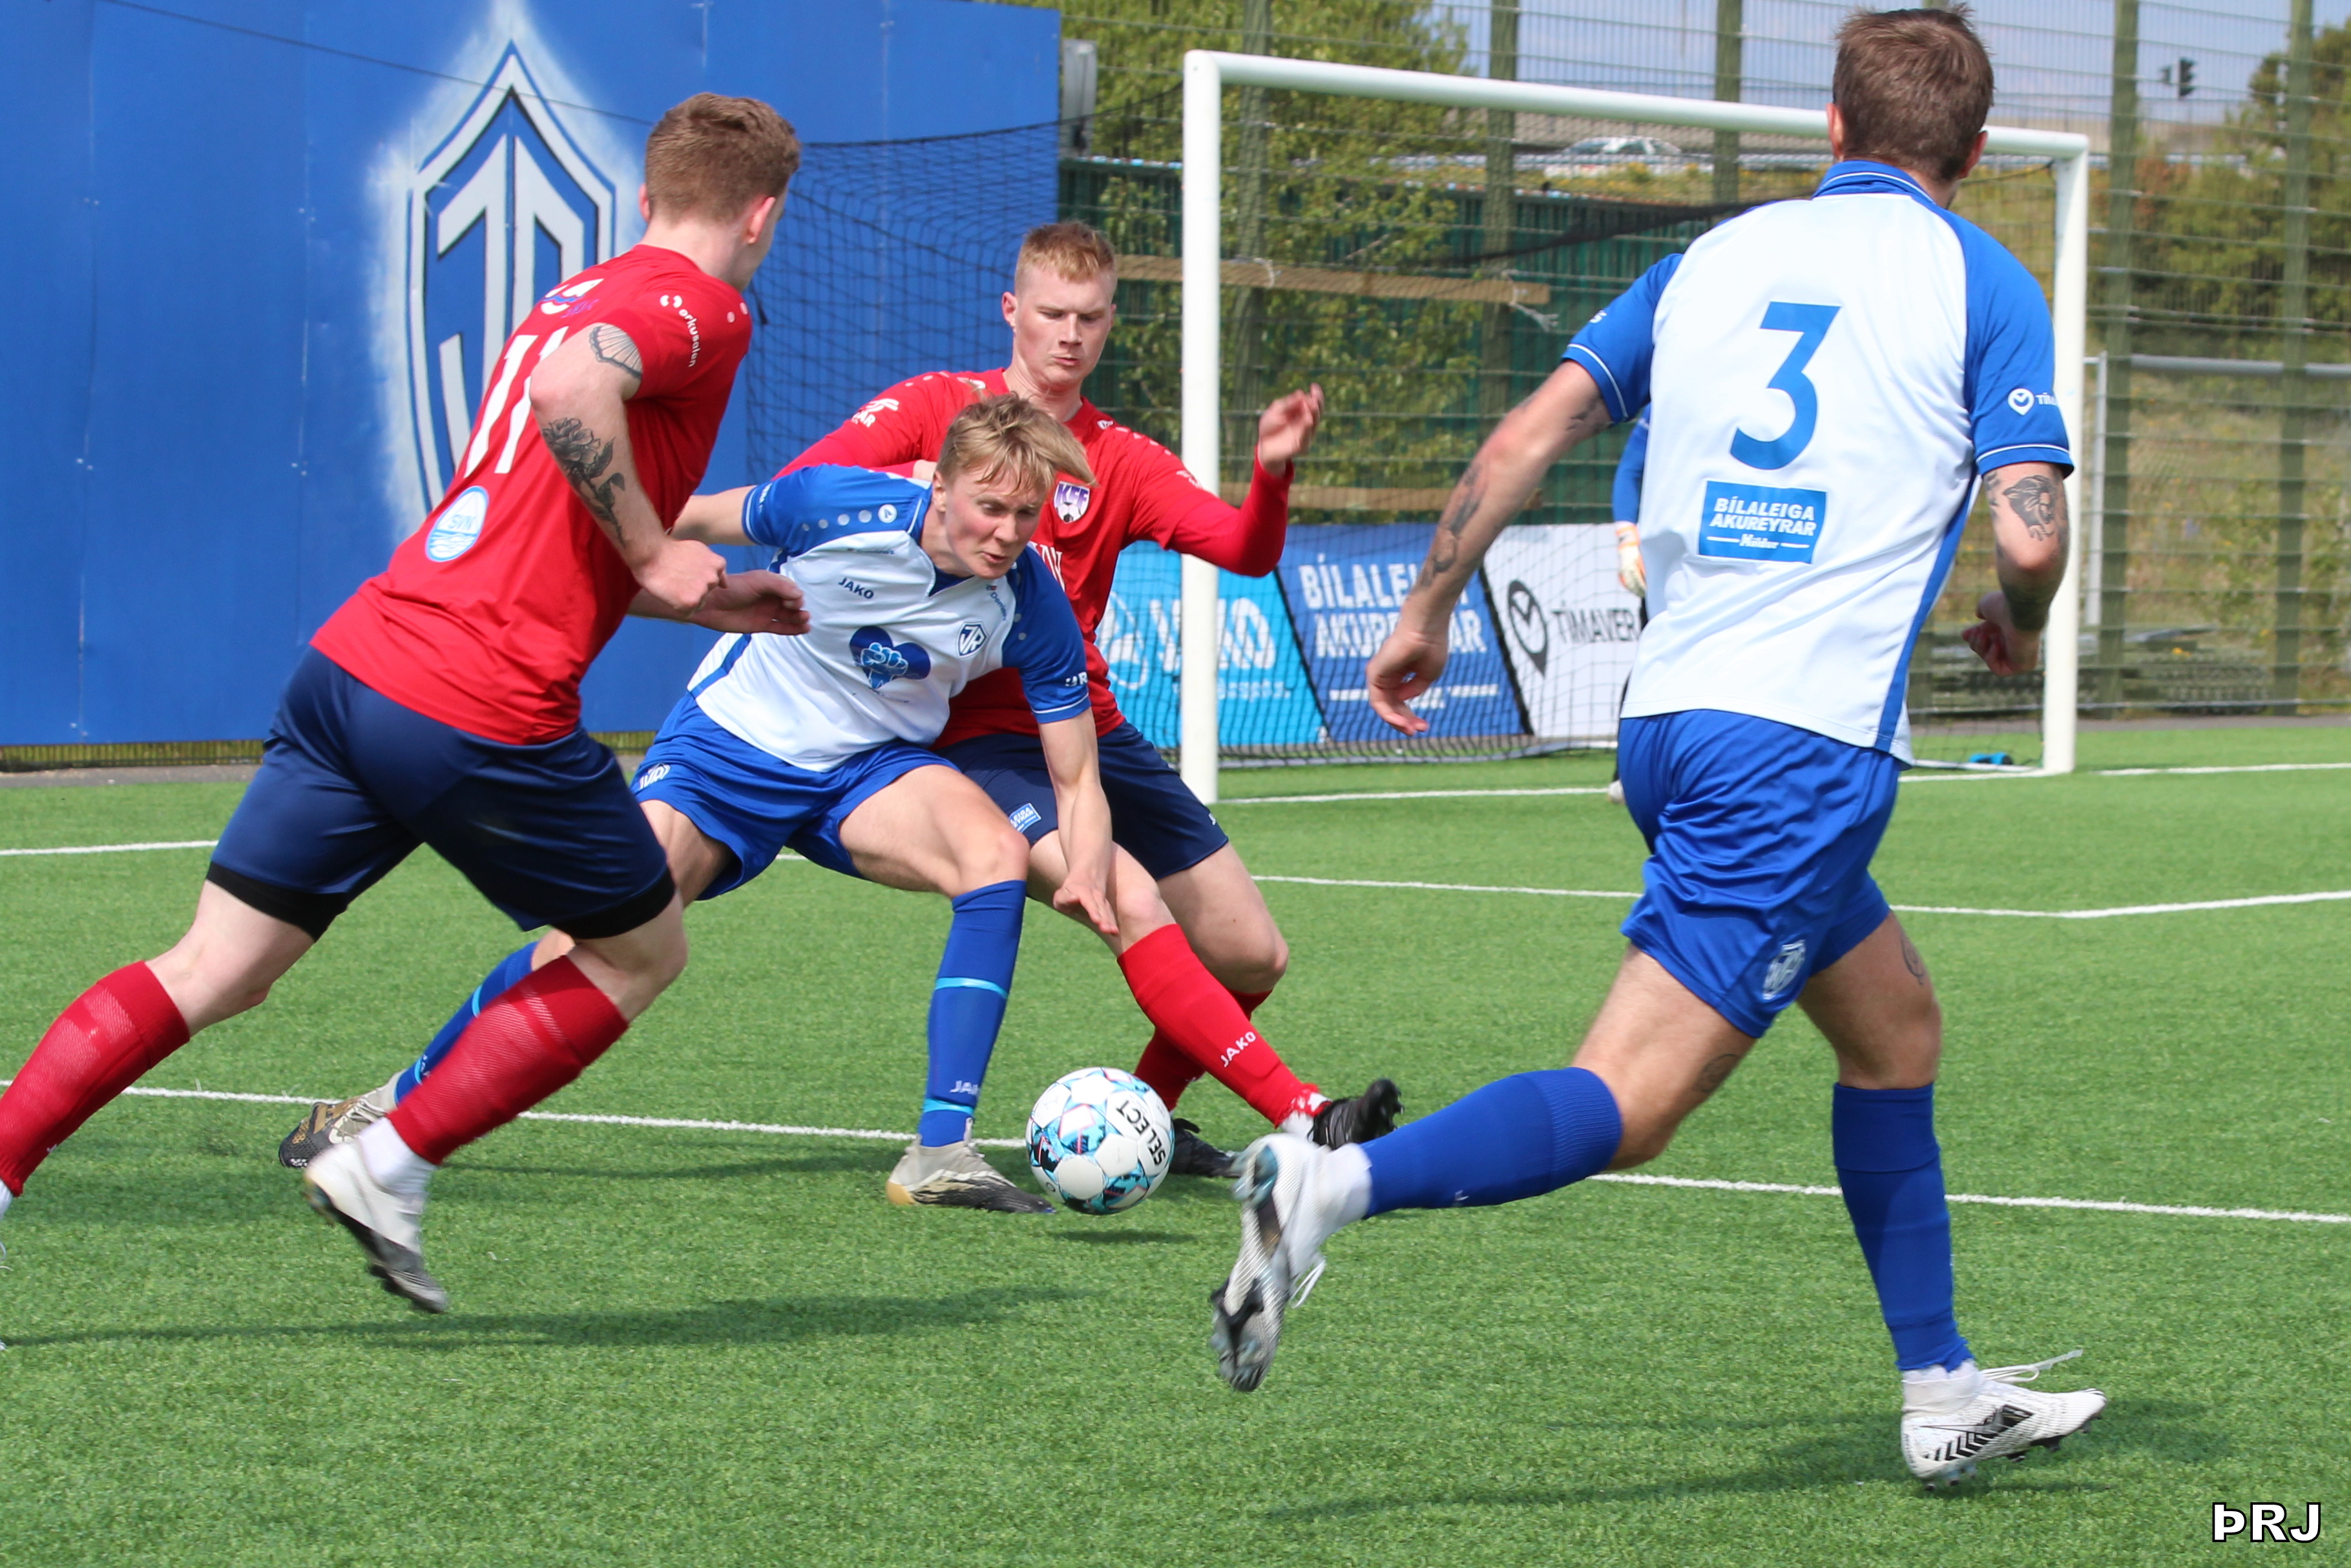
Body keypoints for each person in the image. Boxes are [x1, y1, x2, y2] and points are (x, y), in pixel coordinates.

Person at [1203, 7, 2108, 1489]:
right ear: (1977, 148)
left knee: (1892, 1029)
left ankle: (1939, 1383)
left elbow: (1524, 436)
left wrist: (1426, 605)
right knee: (1624, 1101)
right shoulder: (1980, 279)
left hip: (1667, 721)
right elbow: (2027, 530)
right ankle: (1326, 1185)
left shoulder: (1710, 259)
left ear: (1829, 127)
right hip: (1795, 751)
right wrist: (2018, 618)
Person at [0, 95, 806, 1313]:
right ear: (761, 216)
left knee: (216, 965)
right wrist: (654, 551)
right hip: (477, 698)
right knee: (643, 947)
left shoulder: (569, 295)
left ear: (645, 196)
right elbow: (572, 397)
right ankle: (386, 1160)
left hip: (360, 665)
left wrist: (698, 600)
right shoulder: (706, 307)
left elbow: (537, 524)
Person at [291, 397, 1119, 1217]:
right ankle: (385, 1109)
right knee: (590, 940)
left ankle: (941, 1152)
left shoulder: (1029, 599)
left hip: (867, 769)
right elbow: (677, 520)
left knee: (995, 856)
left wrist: (1084, 868)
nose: (1006, 533)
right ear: (939, 485)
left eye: (1025, 514)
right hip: (726, 750)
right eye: (989, 507)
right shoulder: (833, 504)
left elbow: (1077, 776)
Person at [700, 222, 1399, 1170]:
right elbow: (799, 493)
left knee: (1252, 953)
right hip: (976, 738)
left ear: (1110, 322)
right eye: (1052, 314)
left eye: (1091, 318)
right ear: (1011, 311)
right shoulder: (938, 409)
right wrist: (914, 483)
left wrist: (1271, 474)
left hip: (1088, 729)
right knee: (1132, 897)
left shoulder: (1122, 457)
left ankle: (1146, 1121)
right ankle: (1306, 1112)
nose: (1070, 335)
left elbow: (1245, 550)